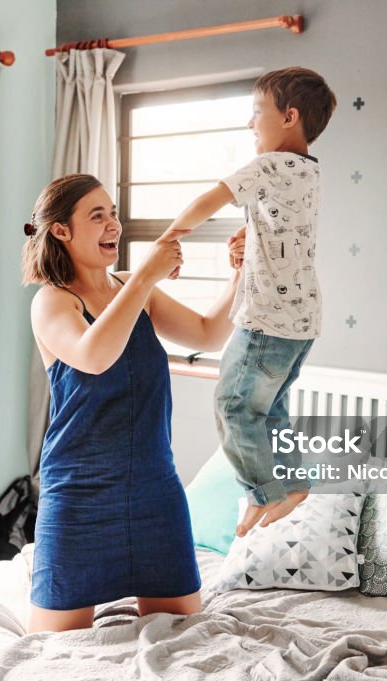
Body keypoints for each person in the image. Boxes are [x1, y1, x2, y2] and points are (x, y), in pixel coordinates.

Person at [22, 173, 244, 633]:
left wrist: (241, 272)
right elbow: (93, 356)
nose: (114, 225)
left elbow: (208, 332)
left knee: (184, 637)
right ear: (62, 231)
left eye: (114, 213)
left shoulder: (131, 288)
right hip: (78, 493)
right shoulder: (52, 302)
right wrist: (145, 276)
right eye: (97, 215)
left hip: (155, 490)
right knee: (52, 653)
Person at [157, 67, 337, 538]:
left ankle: (265, 493)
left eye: (257, 113)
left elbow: (208, 200)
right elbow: (282, 229)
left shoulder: (267, 166)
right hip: (302, 321)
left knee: (234, 406)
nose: (250, 124)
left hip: (266, 320)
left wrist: (170, 237)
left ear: (289, 117)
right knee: (271, 409)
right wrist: (249, 239)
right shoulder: (310, 173)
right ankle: (294, 485)